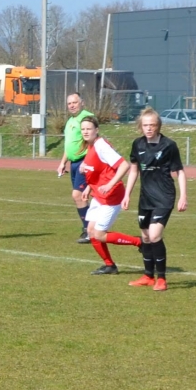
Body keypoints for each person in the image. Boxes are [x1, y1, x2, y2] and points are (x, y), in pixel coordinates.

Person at [124, 107, 188, 291]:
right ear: (140, 126)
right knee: (145, 237)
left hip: (165, 196)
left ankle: (162, 278)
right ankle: (148, 276)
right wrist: (127, 194)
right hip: (146, 198)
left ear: (158, 125)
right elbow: (134, 170)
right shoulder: (137, 144)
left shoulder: (169, 145)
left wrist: (183, 196)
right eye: (145, 125)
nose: (149, 128)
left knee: (154, 235)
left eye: (152, 125)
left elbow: (180, 172)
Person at [78, 115, 145, 274]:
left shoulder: (101, 146)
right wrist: (89, 187)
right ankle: (110, 265)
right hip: (99, 195)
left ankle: (140, 243)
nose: (86, 132)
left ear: (97, 130)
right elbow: (99, 170)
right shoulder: (91, 145)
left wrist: (109, 184)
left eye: (89, 129)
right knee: (91, 232)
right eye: (83, 129)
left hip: (111, 196)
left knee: (99, 234)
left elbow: (124, 165)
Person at [55, 93, 94, 244]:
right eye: (69, 103)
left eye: (74, 102)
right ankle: (90, 227)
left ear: (81, 103)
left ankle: (88, 230)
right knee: (80, 196)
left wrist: (88, 161)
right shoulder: (70, 121)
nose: (71, 105)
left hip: (84, 162)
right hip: (74, 163)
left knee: (78, 195)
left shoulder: (87, 118)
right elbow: (69, 145)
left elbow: (92, 141)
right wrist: (62, 162)